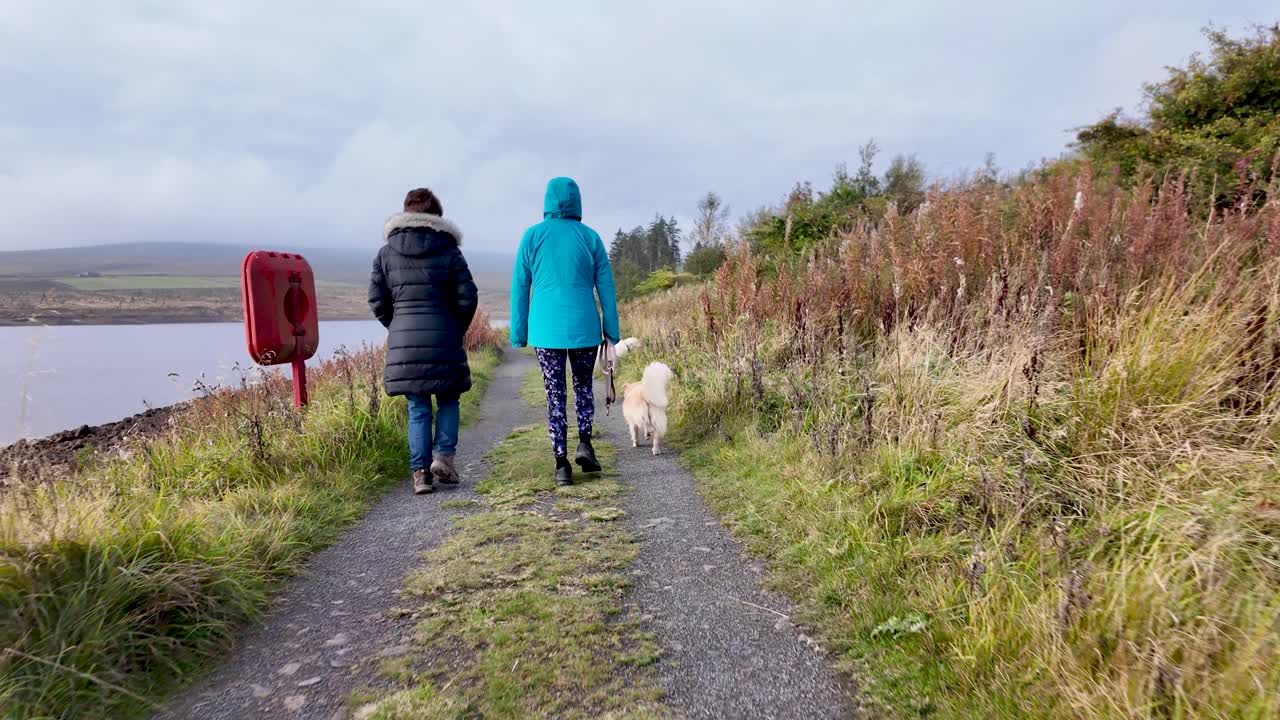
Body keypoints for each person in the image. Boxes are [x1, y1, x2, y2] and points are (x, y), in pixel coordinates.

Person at [510, 177, 621, 486]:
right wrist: (612, 332)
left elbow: (520, 287)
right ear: (577, 201)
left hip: (545, 330)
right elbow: (607, 289)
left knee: (554, 394)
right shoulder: (591, 238)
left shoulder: (531, 237)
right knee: (584, 386)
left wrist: (519, 333)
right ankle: (585, 443)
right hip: (584, 326)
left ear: (547, 202)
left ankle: (561, 465)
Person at [370, 188, 478, 495]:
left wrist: (398, 325)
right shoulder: (450, 251)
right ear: (437, 216)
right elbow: (467, 297)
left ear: (406, 214)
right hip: (445, 334)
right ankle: (443, 457)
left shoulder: (386, 253)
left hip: (405, 336)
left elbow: (376, 300)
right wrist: (456, 327)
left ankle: (420, 475)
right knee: (448, 398)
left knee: (417, 406)